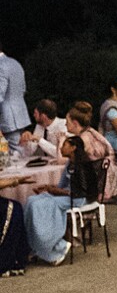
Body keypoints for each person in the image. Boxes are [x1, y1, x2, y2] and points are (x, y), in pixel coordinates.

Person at [22, 103, 103, 264]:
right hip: (67, 195)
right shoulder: (69, 164)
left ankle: (57, 247)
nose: (61, 148)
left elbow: (79, 192)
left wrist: (54, 191)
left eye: (64, 145)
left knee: (40, 206)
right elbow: (61, 186)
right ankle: (33, 246)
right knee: (31, 201)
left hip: (77, 199)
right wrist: (48, 189)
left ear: (73, 148)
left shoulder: (81, 165)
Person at [0, 39, 29, 143]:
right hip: (20, 116)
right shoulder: (15, 63)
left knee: (10, 151)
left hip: (7, 119)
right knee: (18, 149)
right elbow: (23, 89)